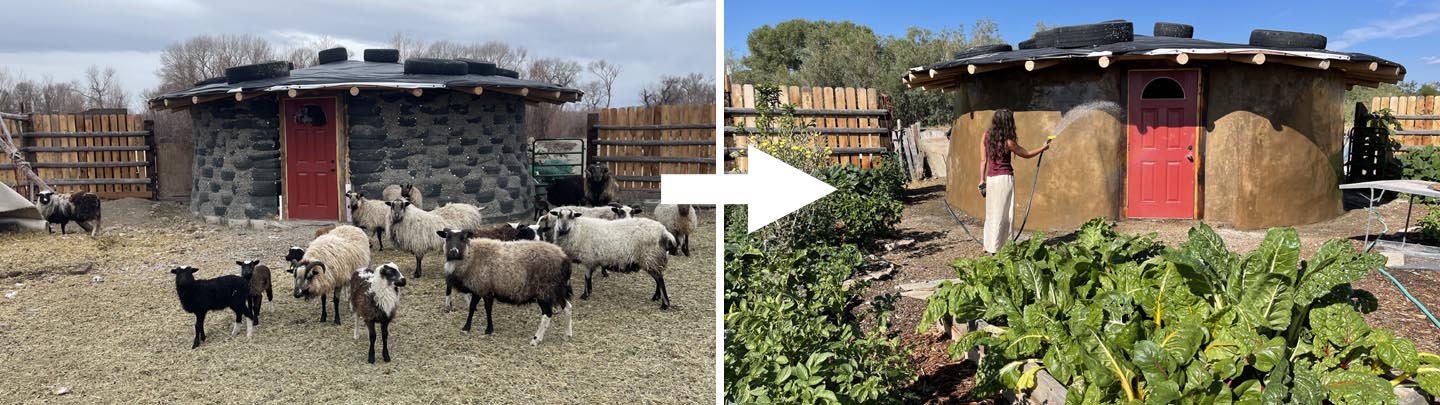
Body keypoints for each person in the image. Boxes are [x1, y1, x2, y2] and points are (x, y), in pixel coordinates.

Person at [978, 109, 1051, 254]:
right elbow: (1027, 154)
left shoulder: (985, 136)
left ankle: (987, 245)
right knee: (1004, 214)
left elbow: (983, 161)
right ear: (1008, 123)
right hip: (1004, 180)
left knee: (992, 212)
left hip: (991, 180)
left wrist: (981, 180)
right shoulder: (1009, 142)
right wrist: (1043, 147)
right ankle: (1000, 246)